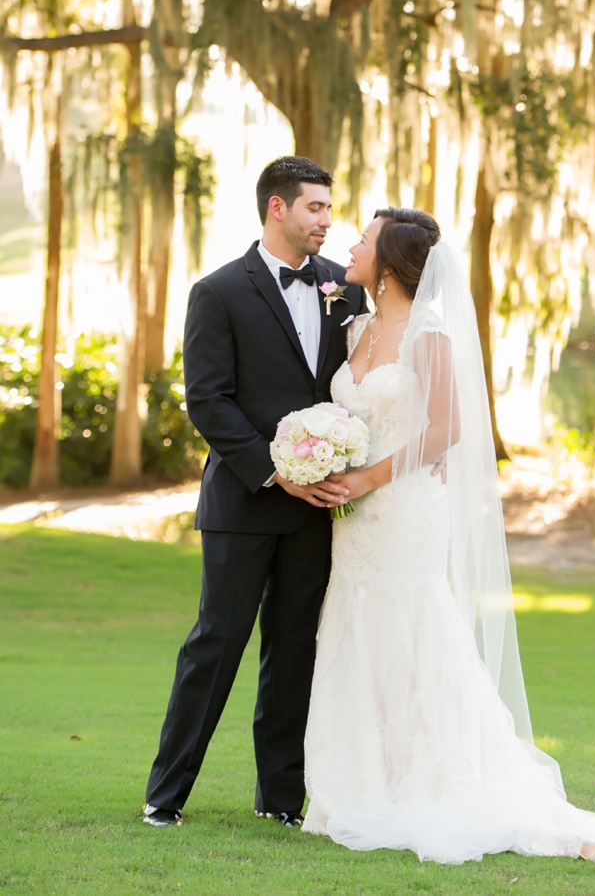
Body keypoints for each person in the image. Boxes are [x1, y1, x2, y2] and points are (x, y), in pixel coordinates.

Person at [301, 207, 595, 866]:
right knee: (359, 629)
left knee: (416, 628)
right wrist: (317, 452)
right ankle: (368, 782)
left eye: (365, 239)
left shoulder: (427, 331)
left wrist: (368, 476)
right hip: (358, 519)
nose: (352, 244)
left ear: (392, 265)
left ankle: (439, 781)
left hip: (404, 509)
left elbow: (446, 427)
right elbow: (353, 414)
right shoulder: (358, 328)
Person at [143, 156, 366, 828]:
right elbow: (207, 400)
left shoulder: (343, 289)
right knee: (216, 643)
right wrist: (278, 473)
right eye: (315, 208)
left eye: (329, 208)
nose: (327, 220)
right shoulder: (218, 291)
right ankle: (165, 795)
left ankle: (281, 802)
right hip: (244, 502)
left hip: (318, 513)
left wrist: (328, 473)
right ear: (278, 208)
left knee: (295, 649)